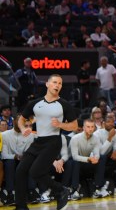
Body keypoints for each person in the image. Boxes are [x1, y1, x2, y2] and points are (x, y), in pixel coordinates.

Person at [15, 75, 77, 210]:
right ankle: (21, 206)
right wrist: (23, 128)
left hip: (53, 142)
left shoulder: (64, 104)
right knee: (20, 171)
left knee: (35, 172)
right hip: (38, 141)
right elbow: (21, 119)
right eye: (55, 82)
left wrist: (60, 124)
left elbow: (74, 126)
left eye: (60, 83)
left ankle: (61, 190)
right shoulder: (35, 103)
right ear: (47, 84)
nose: (57, 85)